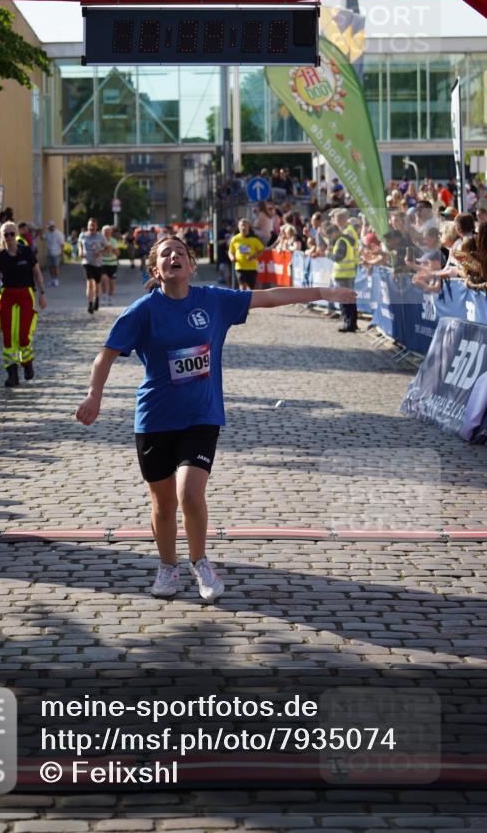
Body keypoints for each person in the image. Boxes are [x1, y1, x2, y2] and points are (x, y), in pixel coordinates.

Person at [74, 234, 356, 601]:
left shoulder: (214, 301)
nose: (173, 256)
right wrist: (95, 394)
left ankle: (200, 562)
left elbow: (268, 298)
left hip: (201, 415)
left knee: (190, 494)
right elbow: (106, 355)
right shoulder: (143, 311)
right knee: (163, 504)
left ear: (191, 265)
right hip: (155, 418)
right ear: (156, 270)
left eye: (180, 252)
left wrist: (321, 292)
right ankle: (167, 567)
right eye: (165, 254)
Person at [0, 222, 47, 386]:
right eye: (6, 234)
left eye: (12, 233)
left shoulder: (26, 252)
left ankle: (27, 364)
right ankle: (11, 373)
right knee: (8, 337)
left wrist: (42, 294)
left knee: (23, 334)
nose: (9, 237)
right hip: (7, 295)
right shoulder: (0, 257)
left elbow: (37, 273)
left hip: (26, 294)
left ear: (16, 234)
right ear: (1, 237)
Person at [79, 218, 107, 313]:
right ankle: (90, 304)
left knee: (97, 284)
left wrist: (100, 252)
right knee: (90, 282)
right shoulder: (83, 235)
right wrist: (80, 250)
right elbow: (80, 244)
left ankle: (97, 298)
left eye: (93, 225)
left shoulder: (100, 237)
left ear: (96, 227)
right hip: (86, 262)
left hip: (97, 263)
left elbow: (108, 247)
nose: (91, 227)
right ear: (87, 226)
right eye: (90, 225)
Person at [228, 218, 265, 290]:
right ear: (238, 227)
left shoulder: (254, 239)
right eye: (241, 225)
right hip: (240, 267)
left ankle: (251, 300)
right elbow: (230, 251)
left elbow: (261, 250)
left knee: (251, 288)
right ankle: (243, 300)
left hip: (252, 267)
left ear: (248, 227)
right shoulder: (235, 239)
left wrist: (253, 256)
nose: (243, 227)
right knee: (242, 286)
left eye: (245, 225)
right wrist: (231, 257)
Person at [100, 224, 120, 305]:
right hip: (103, 263)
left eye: (108, 232)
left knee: (112, 282)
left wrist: (113, 249)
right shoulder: (100, 241)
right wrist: (105, 249)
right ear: (102, 233)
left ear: (111, 233)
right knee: (104, 280)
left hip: (112, 263)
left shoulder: (113, 241)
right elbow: (98, 253)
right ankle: (104, 296)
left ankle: (110, 297)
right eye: (105, 232)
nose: (107, 234)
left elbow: (118, 254)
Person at [44, 221, 65, 288]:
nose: (50, 228)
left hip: (56, 253)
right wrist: (39, 232)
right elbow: (43, 237)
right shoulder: (48, 233)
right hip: (49, 253)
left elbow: (62, 244)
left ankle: (56, 280)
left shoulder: (58, 234)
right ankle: (52, 279)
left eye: (51, 227)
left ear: (53, 226)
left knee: (55, 266)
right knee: (50, 267)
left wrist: (62, 253)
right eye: (49, 227)